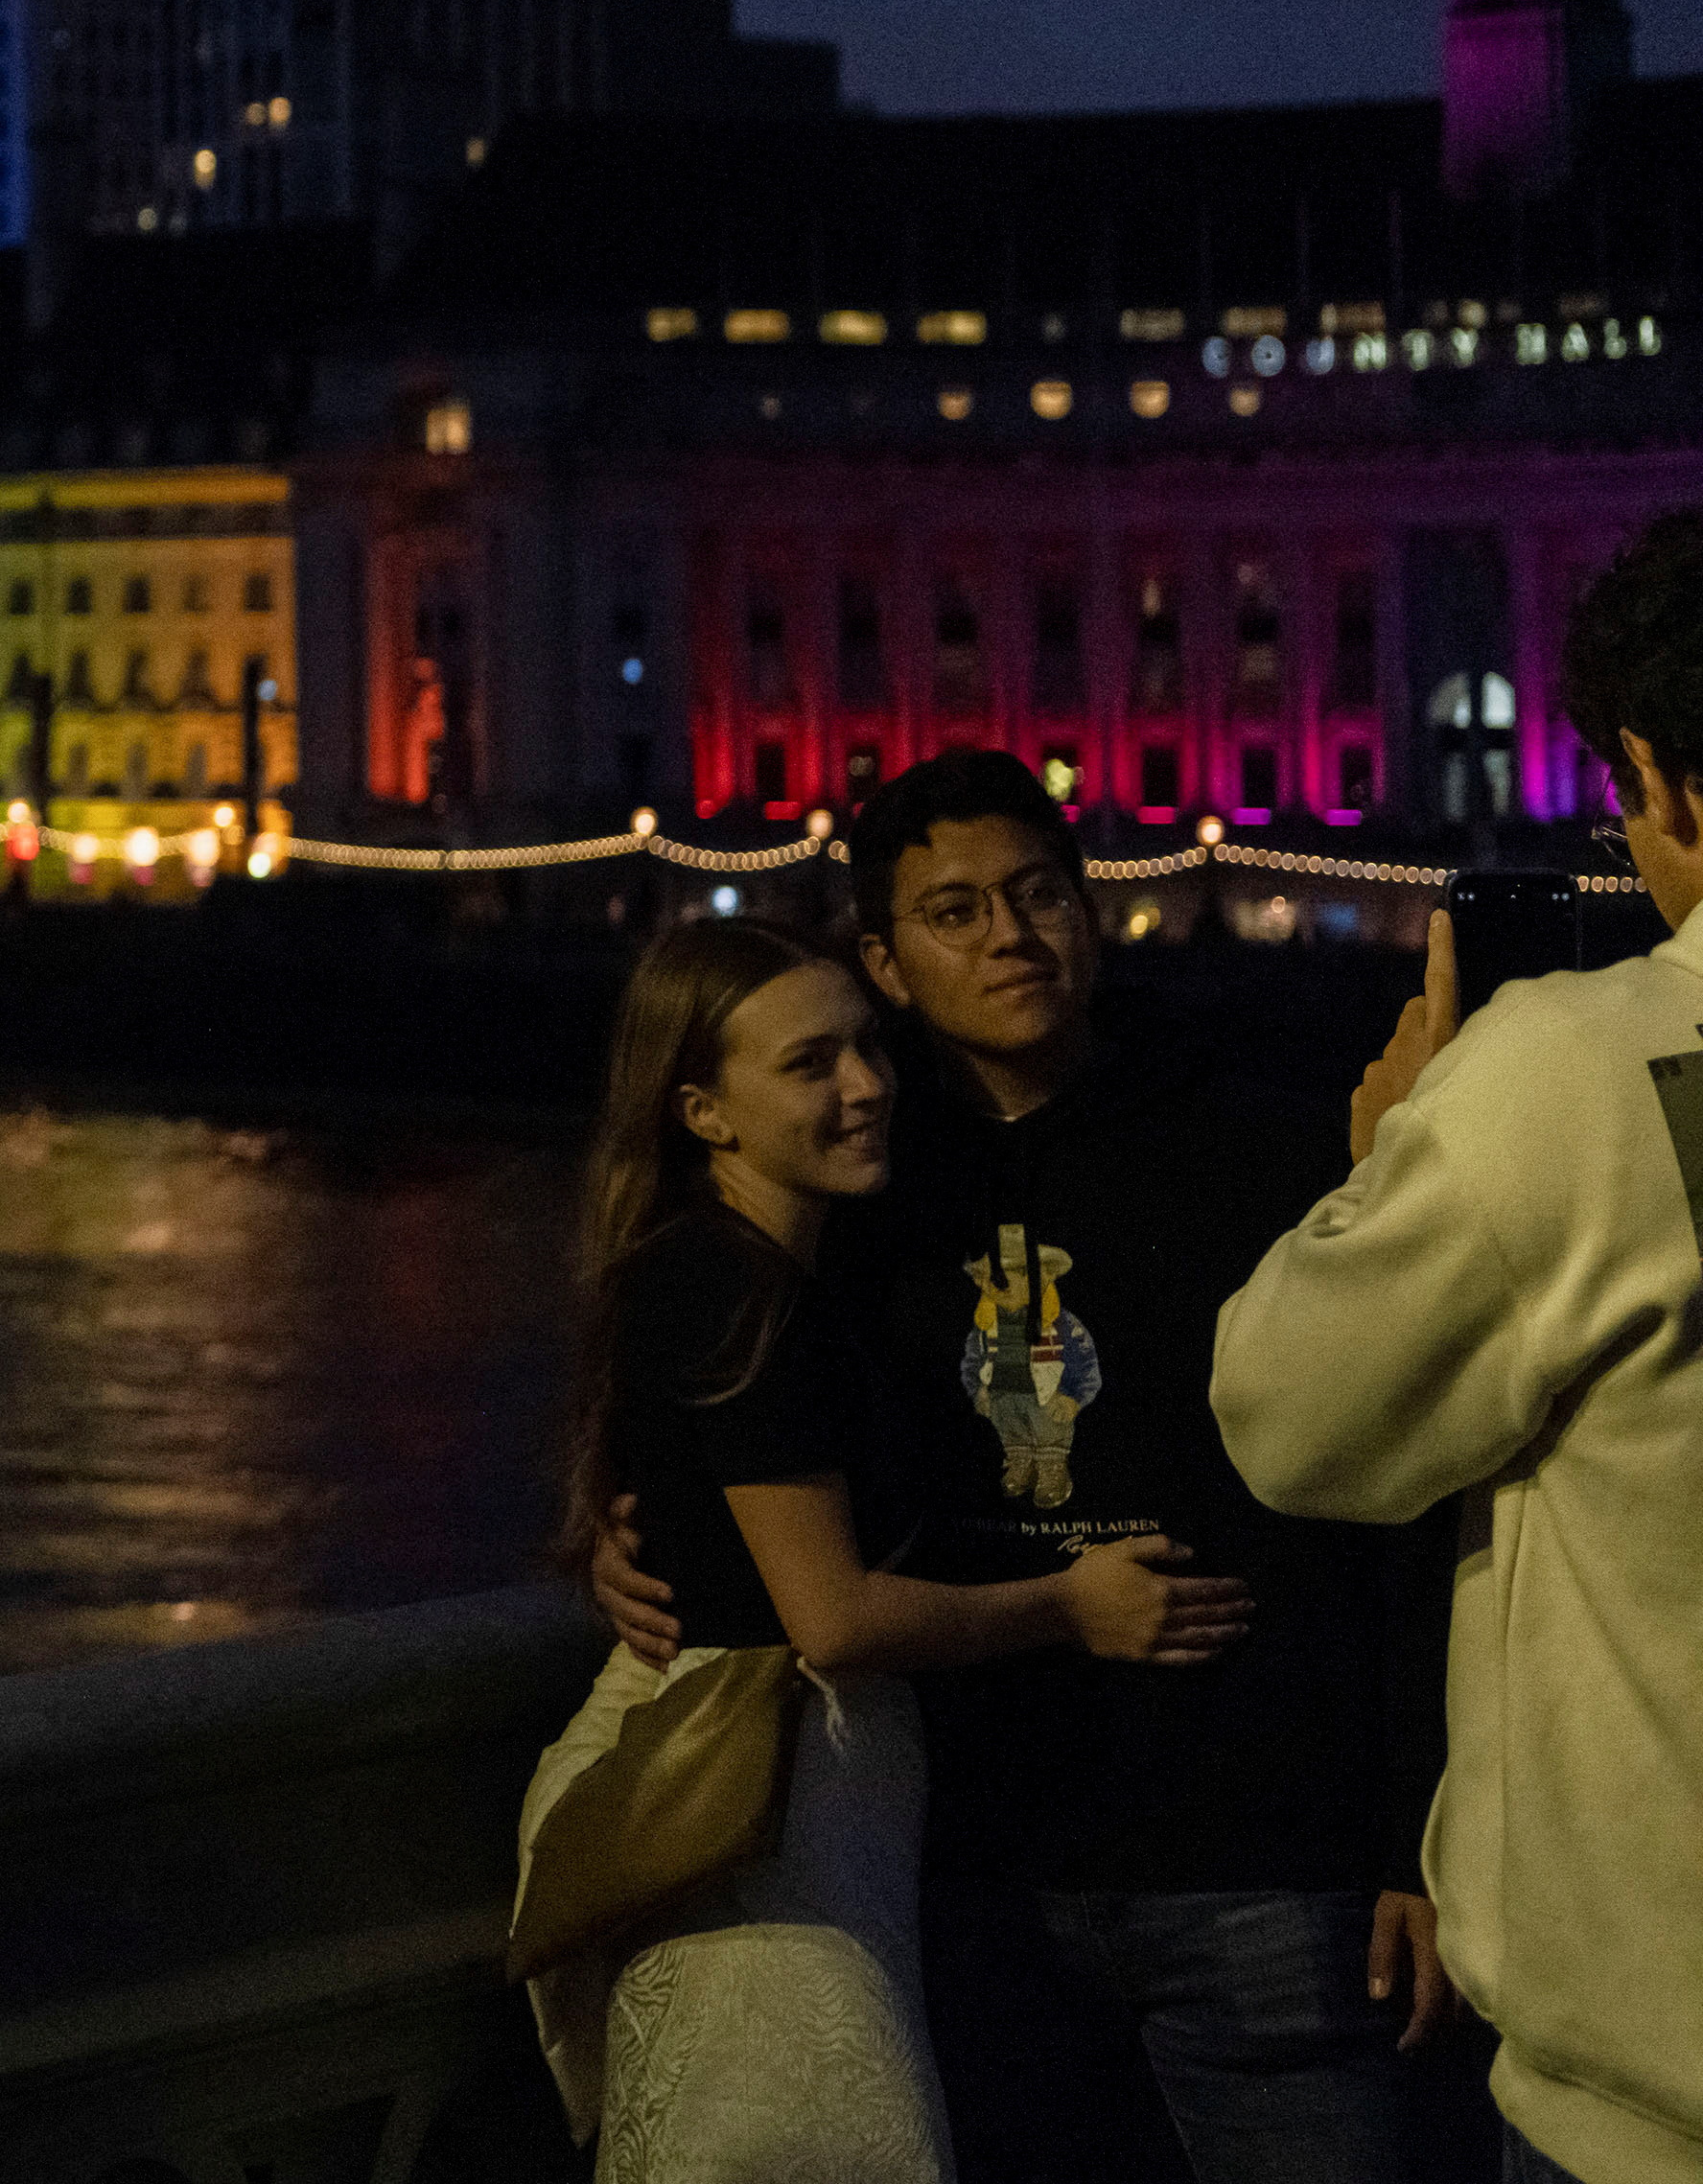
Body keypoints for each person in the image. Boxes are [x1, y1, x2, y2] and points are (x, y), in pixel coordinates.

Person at [599, 750, 1455, 2180]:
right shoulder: (860, 1180)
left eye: (1038, 893)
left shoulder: (1260, 1147)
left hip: (1260, 1861)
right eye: (954, 911)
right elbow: (736, 1419)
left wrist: (1415, 1831)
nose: (1009, 933)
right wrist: (630, 1551)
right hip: (980, 1875)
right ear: (883, 956)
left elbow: (1400, 1491)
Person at [519, 914, 1248, 2183]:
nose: (866, 1087)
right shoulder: (745, 1299)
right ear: (704, 1112)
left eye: (868, 1048)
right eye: (811, 1066)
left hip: (786, 1802)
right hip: (774, 1818)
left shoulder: (725, 1273)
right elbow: (834, 1621)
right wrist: (1075, 1602)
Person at [1221, 512, 1703, 2184]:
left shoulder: (1569, 1072)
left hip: (1651, 2099)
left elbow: (1294, 1423)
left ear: (1668, 785)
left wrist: (1388, 1165)